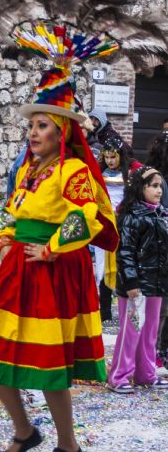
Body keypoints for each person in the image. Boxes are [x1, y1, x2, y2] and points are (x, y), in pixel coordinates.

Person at [0, 21, 119, 452]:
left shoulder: (74, 170)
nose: (33, 132)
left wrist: (51, 248)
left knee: (47, 368)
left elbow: (85, 218)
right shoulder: (29, 170)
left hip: (52, 269)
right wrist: (5, 235)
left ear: (62, 131)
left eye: (43, 125)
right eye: (32, 125)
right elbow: (14, 211)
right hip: (17, 268)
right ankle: (26, 432)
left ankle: (68, 444)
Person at [108, 166, 168, 394]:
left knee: (150, 331)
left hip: (156, 285)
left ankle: (146, 373)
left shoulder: (161, 214)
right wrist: (131, 283)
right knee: (131, 330)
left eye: (160, 185)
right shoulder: (131, 217)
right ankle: (119, 375)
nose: (159, 190)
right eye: (153, 186)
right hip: (136, 288)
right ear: (140, 188)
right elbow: (125, 252)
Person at [95, 137, 130, 321]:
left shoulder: (128, 175)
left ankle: (126, 310)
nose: (110, 160)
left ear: (120, 156)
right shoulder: (99, 175)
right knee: (102, 266)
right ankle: (105, 312)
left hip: (123, 226)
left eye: (113, 157)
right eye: (107, 157)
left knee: (124, 265)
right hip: (105, 226)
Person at [146, 131, 168, 376]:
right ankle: (155, 352)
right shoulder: (158, 182)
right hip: (158, 258)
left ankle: (157, 351)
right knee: (159, 309)